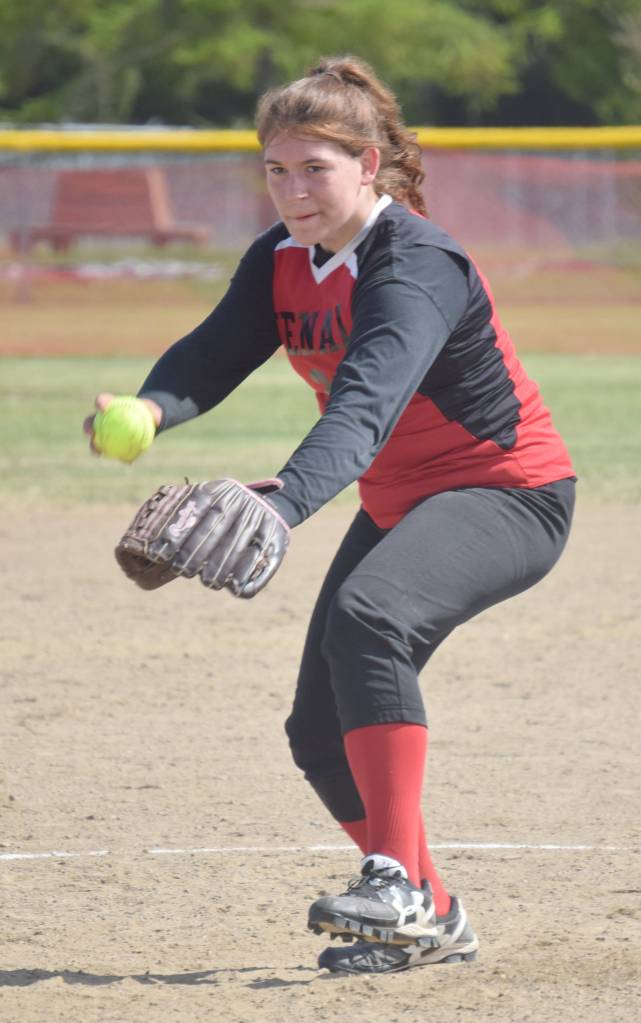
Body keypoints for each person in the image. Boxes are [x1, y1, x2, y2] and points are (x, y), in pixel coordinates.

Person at [84, 55, 576, 974]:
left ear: (369, 164)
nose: (293, 189)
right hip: (403, 501)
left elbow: (364, 404)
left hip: (507, 493)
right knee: (317, 731)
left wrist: (285, 502)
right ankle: (428, 914)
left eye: (316, 167)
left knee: (370, 615)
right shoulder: (281, 256)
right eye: (276, 168)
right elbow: (217, 348)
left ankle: (390, 880)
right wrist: (152, 408)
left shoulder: (416, 263)